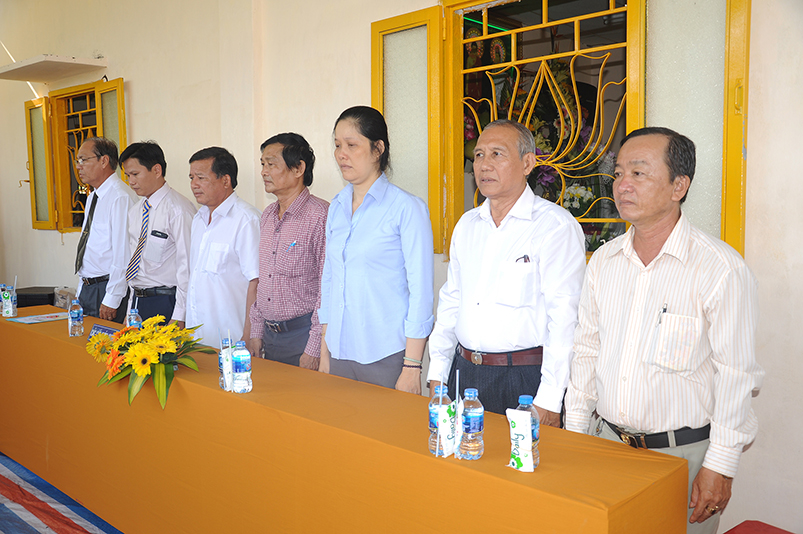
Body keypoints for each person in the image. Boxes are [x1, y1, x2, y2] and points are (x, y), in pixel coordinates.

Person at [564, 127, 764, 533]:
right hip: (605, 444)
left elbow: (736, 375)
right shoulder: (604, 262)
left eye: (638, 173)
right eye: (619, 173)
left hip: (682, 457)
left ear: (679, 186)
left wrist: (720, 465)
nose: (623, 185)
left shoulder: (719, 269)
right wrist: (575, 436)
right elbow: (586, 350)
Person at [427, 119, 586, 420]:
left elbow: (565, 319)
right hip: (464, 374)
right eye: (479, 155)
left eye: (497, 154)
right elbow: (451, 302)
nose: (484, 165)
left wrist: (550, 399)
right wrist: (438, 374)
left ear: (527, 163)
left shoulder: (554, 226)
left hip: (524, 379)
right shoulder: (467, 225)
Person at [318, 106, 434, 393]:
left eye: (352, 145)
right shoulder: (337, 207)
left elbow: (421, 291)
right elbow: (330, 279)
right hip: (339, 350)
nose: (341, 154)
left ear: (378, 149)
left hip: (386, 354)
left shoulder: (406, 208)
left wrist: (412, 365)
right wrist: (324, 348)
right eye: (337, 145)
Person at [246, 133, 328, 369]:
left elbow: (327, 288)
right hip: (269, 336)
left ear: (298, 168)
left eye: (271, 164)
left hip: (302, 336)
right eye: (263, 164)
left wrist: (314, 348)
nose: (264, 172)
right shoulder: (268, 216)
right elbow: (264, 279)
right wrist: (256, 331)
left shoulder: (320, 216)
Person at [186, 147, 260, 348]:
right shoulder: (198, 220)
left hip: (233, 339)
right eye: (191, 178)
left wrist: (249, 335)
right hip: (197, 337)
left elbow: (256, 282)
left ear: (225, 180)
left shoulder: (246, 220)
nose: (194, 184)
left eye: (201, 178)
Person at [120, 141, 196, 326]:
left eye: (135, 174)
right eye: (127, 176)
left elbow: (187, 266)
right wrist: (130, 310)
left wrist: (180, 315)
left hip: (166, 301)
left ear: (156, 170)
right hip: (138, 301)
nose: (131, 182)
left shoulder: (178, 210)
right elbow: (136, 264)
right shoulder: (136, 211)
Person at [74, 136, 136, 323]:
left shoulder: (120, 197)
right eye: (77, 161)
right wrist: (80, 290)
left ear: (104, 161)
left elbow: (124, 254)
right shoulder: (93, 197)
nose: (78, 166)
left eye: (83, 160)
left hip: (107, 288)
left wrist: (112, 298)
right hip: (88, 287)